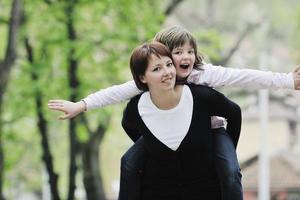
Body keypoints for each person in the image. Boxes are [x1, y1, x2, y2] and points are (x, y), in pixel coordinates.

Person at [48, 26, 300, 200]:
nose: (185, 57)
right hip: (165, 132)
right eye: (177, 52)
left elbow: (243, 76)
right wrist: (81, 105)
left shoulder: (202, 75)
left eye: (190, 51)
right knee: (128, 162)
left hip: (211, 132)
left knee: (230, 172)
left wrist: (287, 80)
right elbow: (115, 93)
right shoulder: (152, 79)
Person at [122, 41, 241, 199]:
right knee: (127, 163)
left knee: (230, 172)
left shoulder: (202, 96)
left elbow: (234, 112)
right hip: (161, 191)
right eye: (157, 69)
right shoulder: (135, 108)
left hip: (208, 190)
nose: (167, 72)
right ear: (143, 77)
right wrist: (153, 142)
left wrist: (225, 148)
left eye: (169, 64)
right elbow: (127, 124)